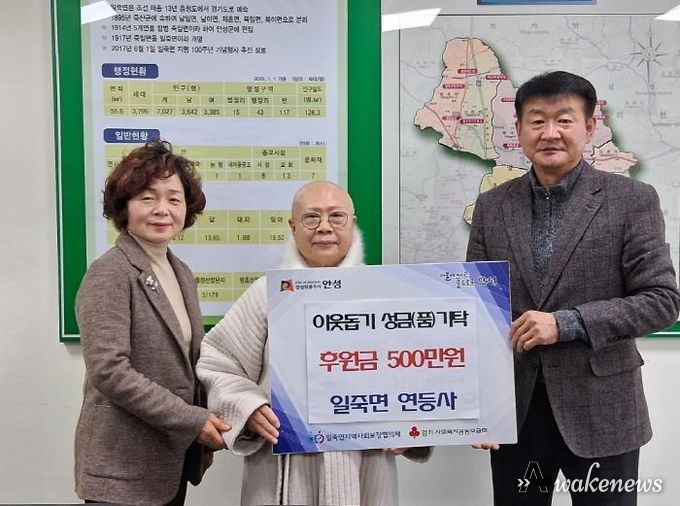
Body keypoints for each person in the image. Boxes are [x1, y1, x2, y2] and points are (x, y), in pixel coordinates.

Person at [466, 71, 680, 505]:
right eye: (537, 120)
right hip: (516, 413)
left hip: (604, 410)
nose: (550, 133)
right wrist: (482, 406)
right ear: (519, 129)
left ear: (590, 127)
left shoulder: (632, 200)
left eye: (564, 120)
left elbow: (662, 300)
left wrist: (567, 323)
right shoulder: (492, 206)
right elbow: (477, 309)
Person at [197, 180, 430, 506]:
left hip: (366, 467)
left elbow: (423, 373)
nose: (324, 227)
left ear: (352, 223)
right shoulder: (268, 294)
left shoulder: (383, 296)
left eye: (336, 216)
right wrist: (249, 407)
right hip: (282, 472)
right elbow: (218, 363)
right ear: (293, 227)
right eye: (311, 217)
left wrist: (412, 427)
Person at [74, 140, 230, 505]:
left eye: (174, 199)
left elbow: (188, 364)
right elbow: (110, 370)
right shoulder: (110, 272)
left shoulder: (180, 272)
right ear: (124, 206)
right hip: (121, 469)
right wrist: (192, 420)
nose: (163, 209)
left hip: (168, 462)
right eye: (147, 198)